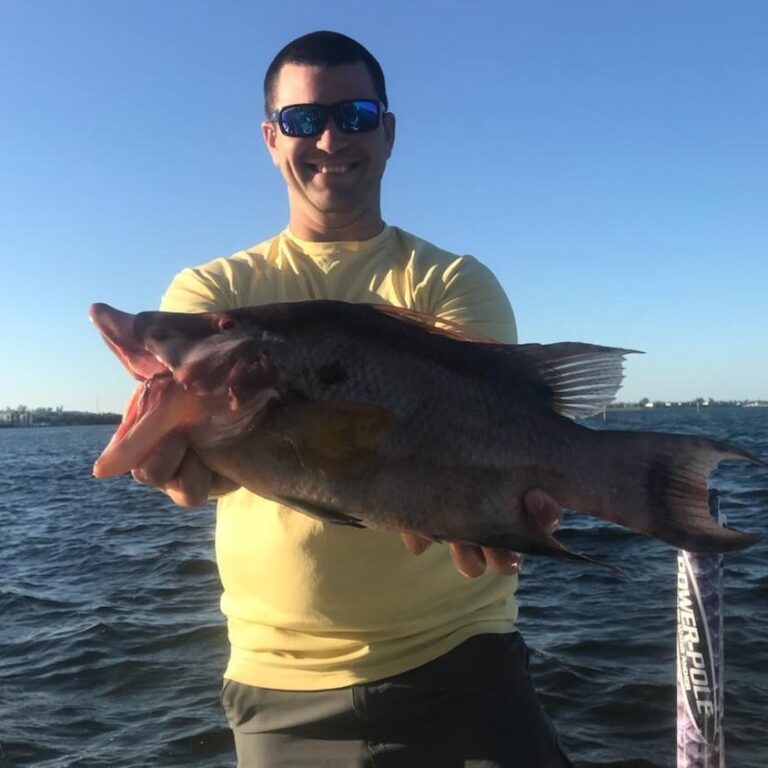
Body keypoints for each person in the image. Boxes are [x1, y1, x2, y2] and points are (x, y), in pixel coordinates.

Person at [135, 31, 573, 767]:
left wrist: (516, 500)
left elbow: (493, 435)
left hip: (464, 660)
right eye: (305, 121)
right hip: (280, 686)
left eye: (356, 114)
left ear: (389, 132)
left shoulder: (452, 283)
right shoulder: (211, 300)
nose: (331, 137)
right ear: (272, 140)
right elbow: (192, 462)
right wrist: (174, 459)